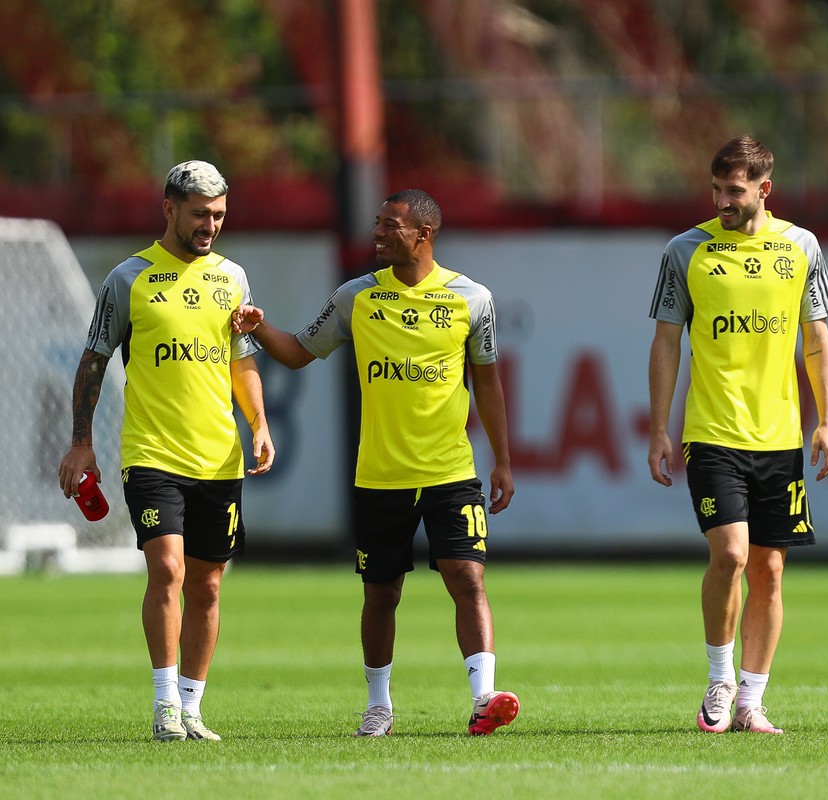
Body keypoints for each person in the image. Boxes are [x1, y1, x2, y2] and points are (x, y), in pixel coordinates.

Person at [232, 188, 518, 737]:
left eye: (390, 226)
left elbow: (487, 381)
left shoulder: (472, 299)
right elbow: (296, 352)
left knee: (468, 578)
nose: (378, 233)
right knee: (381, 592)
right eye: (378, 223)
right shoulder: (356, 297)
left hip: (450, 472)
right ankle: (378, 704)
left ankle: (484, 698)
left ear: (423, 235)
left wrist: (502, 461)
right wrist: (257, 327)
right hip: (379, 476)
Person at [57, 160, 275, 742]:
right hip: (151, 454)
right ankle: (163, 707)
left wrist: (258, 422)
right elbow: (94, 360)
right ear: (169, 209)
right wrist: (81, 442)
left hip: (219, 456)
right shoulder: (128, 278)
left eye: (220, 215)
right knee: (169, 568)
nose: (211, 225)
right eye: (201, 214)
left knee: (207, 584)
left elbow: (242, 360)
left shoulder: (233, 277)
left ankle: (192, 705)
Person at [647, 136, 828, 735]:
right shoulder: (687, 251)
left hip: (779, 438)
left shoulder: (801, 246)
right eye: (716, 190)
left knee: (770, 569)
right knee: (730, 554)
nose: (723, 201)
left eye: (735, 191)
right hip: (712, 433)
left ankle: (752, 700)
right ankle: (720, 677)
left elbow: (817, 341)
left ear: (764, 189)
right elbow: (665, 342)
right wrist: (660, 427)